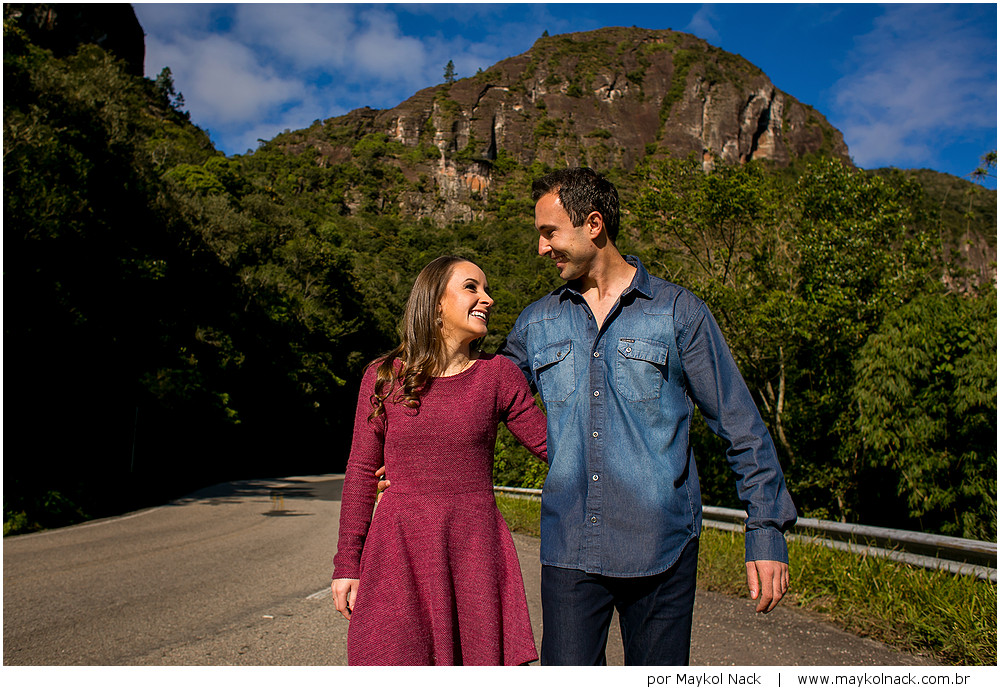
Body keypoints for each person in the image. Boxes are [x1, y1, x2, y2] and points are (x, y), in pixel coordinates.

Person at [495, 167, 798, 665]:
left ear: (594, 224)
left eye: (550, 232)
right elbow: (480, 400)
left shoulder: (679, 312)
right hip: (570, 547)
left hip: (662, 547)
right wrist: (407, 447)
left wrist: (765, 529)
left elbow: (740, 424)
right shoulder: (536, 321)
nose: (542, 247)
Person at [331, 256, 547, 666]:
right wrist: (347, 564)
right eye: (472, 287)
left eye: (486, 289)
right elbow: (360, 471)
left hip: (474, 551)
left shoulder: (499, 375)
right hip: (397, 551)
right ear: (435, 304)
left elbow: (555, 447)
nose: (488, 298)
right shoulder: (384, 376)